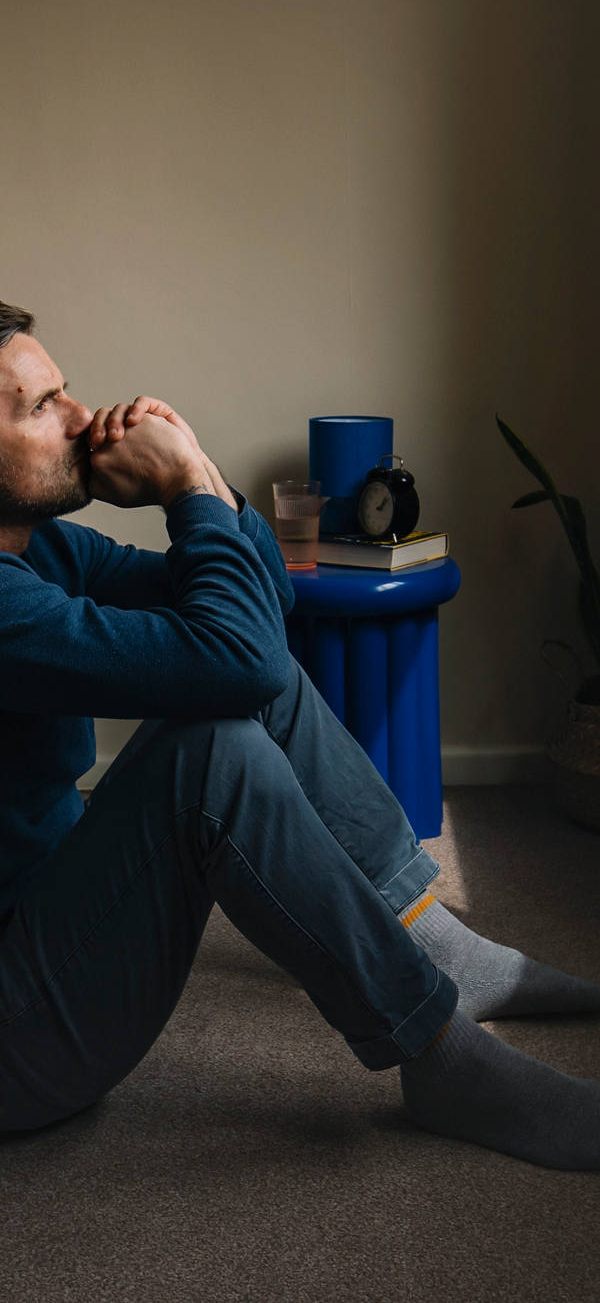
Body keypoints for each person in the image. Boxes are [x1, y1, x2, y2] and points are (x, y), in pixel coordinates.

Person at [0, 298, 598, 1171]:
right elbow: (239, 654)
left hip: (47, 925)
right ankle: (438, 1053)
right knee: (212, 752)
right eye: (40, 408)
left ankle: (432, 940)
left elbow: (260, 616)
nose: (85, 420)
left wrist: (202, 475)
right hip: (19, 1039)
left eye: (68, 390)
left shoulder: (40, 550)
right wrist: (183, 493)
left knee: (238, 676)